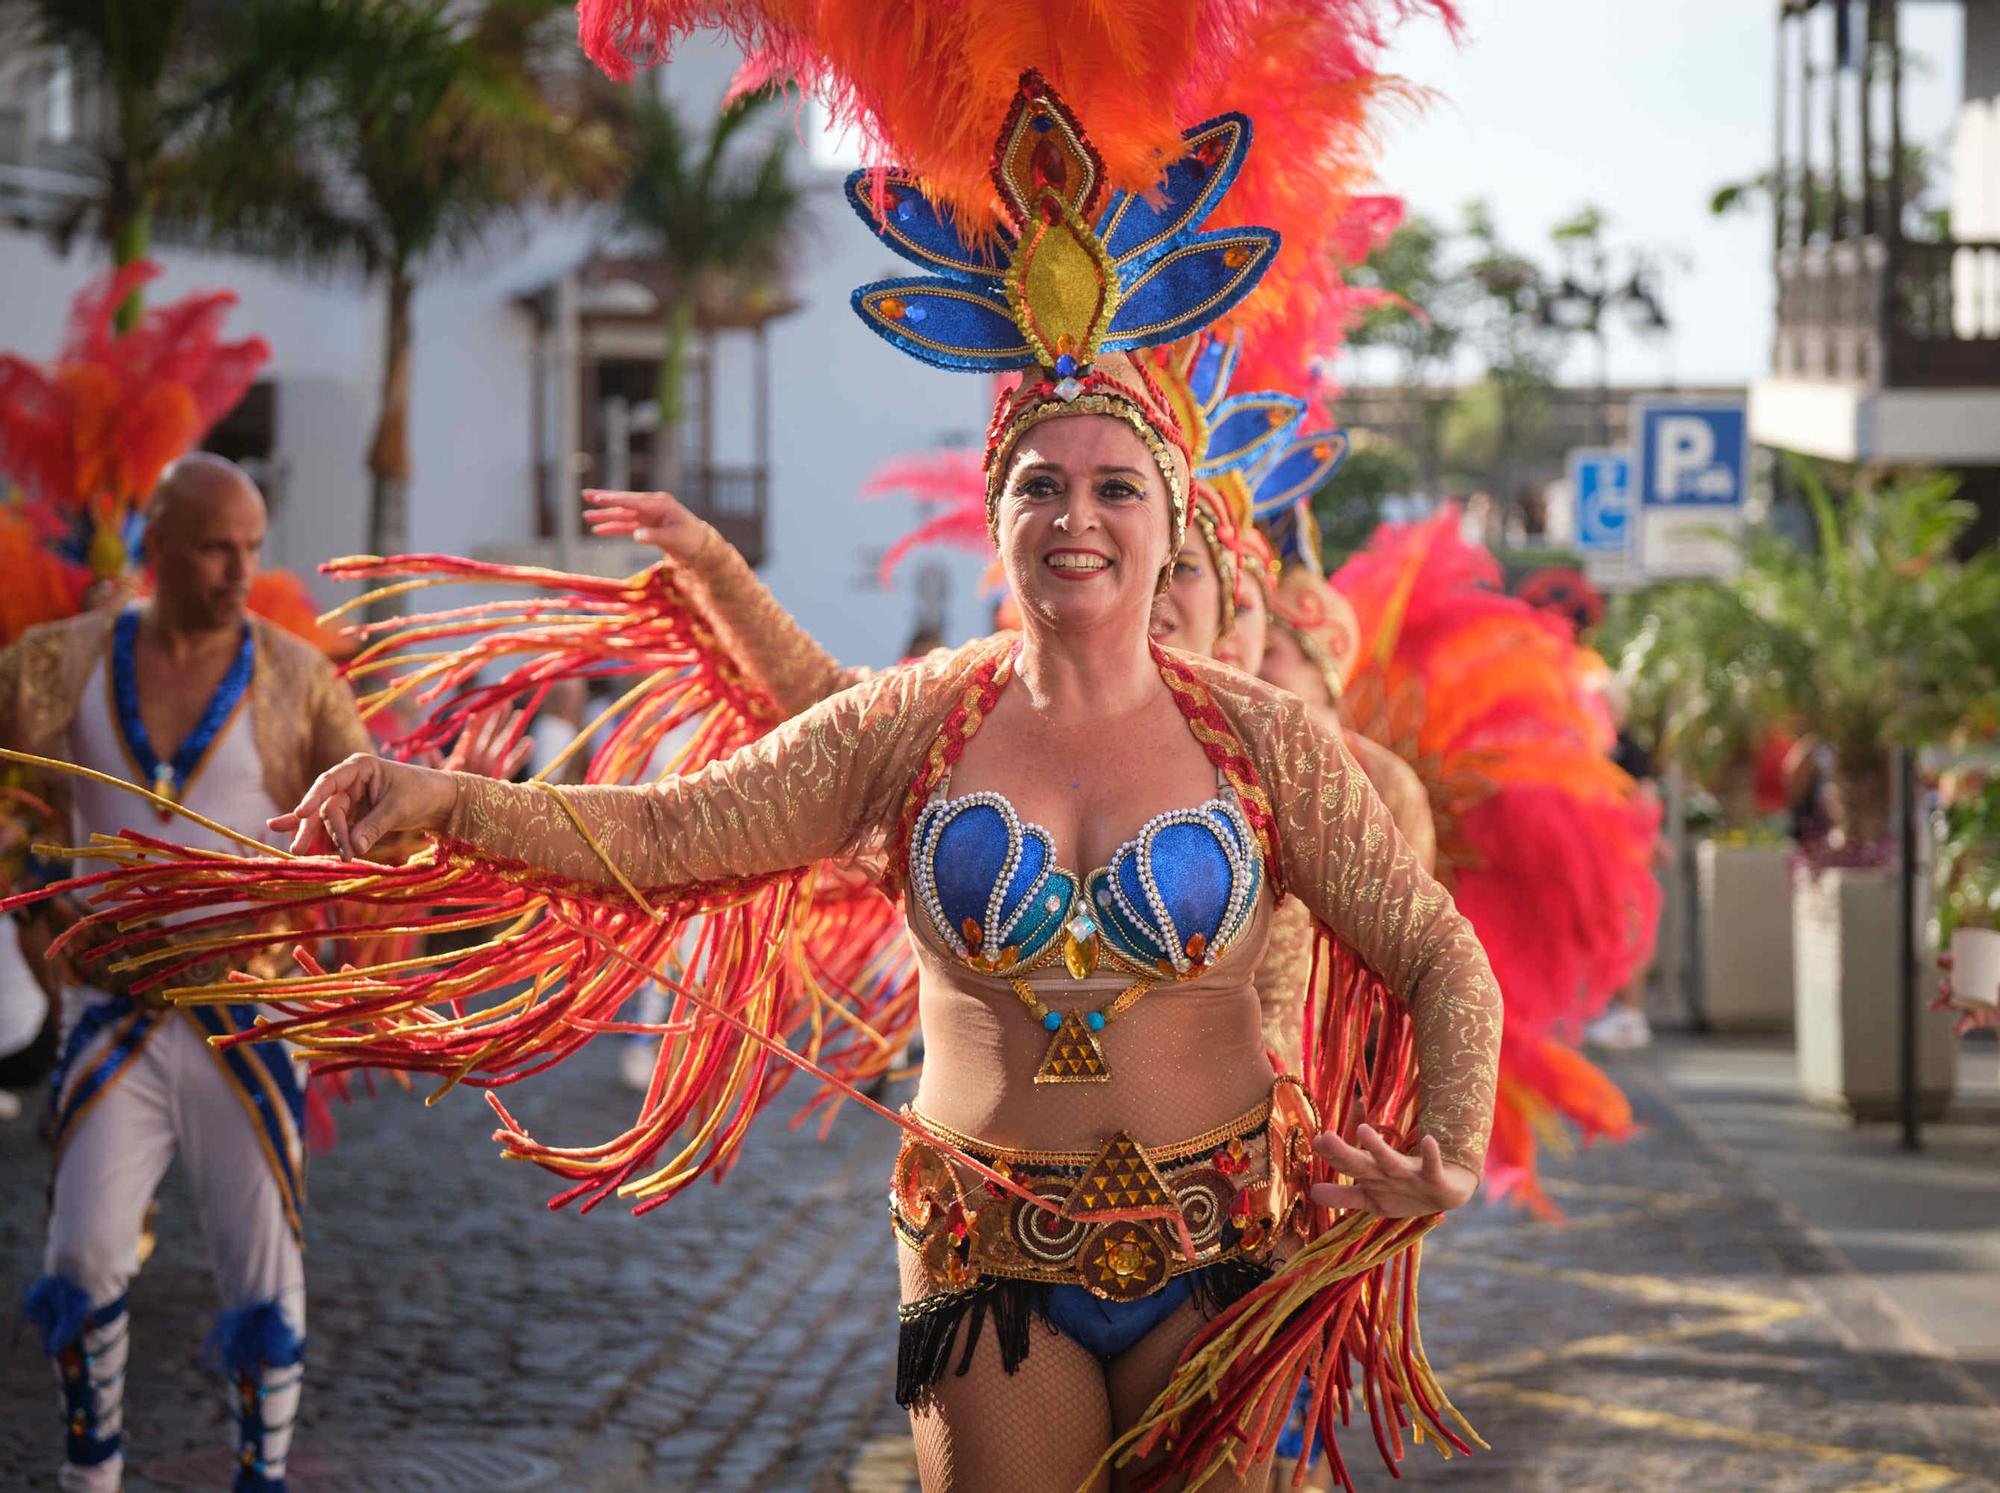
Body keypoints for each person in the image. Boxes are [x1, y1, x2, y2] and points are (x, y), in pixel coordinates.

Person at [43, 85, 1504, 1491]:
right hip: (985, 1256)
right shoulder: (914, 719)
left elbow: (1439, 954)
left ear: (1171, 518)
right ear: (994, 517)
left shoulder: (1266, 742)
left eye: (1117, 488)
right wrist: (449, 798)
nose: (1077, 518)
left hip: (1221, 1249)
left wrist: (1441, 1145)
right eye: (1038, 485)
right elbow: (677, 833)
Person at [1, 456, 370, 1492]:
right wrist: (41, 914)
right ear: (157, 542)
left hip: (246, 1021)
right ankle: (91, 1474)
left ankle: (262, 1477)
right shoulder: (55, 661)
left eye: (253, 546)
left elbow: (375, 824)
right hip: (108, 1016)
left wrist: (330, 928)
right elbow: (10, 807)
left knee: (264, 1272)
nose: (239, 568)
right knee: (80, 1255)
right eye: (217, 545)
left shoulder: (299, 675)